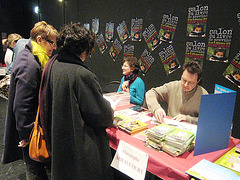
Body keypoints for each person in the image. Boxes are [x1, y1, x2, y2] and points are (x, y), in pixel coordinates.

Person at [40, 23, 114, 179]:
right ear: (83, 50)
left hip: (61, 146)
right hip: (81, 154)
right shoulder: (81, 74)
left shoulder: (53, 65)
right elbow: (102, 115)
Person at [2, 21, 58, 179]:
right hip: (32, 133)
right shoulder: (30, 64)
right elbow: (22, 105)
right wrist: (26, 135)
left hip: (33, 130)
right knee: (35, 171)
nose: (54, 47)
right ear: (40, 40)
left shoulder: (32, 58)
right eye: (52, 42)